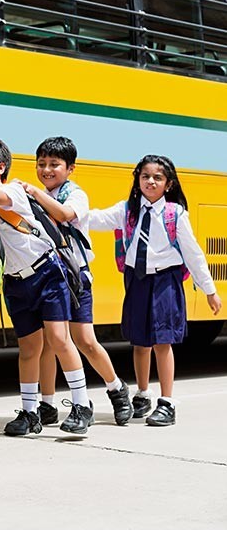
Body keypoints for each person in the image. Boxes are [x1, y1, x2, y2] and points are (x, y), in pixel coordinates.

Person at [0, 135, 94, 436]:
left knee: (59, 339)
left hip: (46, 273)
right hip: (16, 281)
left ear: (0, 166)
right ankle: (30, 412)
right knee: (28, 348)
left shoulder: (13, 191)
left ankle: (81, 406)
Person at [88, 154, 221, 426]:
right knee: (139, 341)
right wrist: (66, 213)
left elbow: (193, 253)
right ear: (137, 180)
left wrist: (209, 289)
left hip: (165, 281)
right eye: (145, 176)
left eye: (157, 177)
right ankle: (143, 393)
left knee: (162, 342)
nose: (151, 181)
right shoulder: (127, 211)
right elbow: (96, 219)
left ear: (168, 184)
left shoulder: (175, 214)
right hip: (137, 280)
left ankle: (167, 402)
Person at [13, 137, 132, 426]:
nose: (46, 170)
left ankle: (117, 389)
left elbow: (65, 214)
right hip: (49, 278)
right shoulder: (40, 194)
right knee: (49, 343)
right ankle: (47, 404)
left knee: (85, 341)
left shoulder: (75, 194)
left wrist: (32, 192)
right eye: (41, 164)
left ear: (70, 168)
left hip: (75, 280)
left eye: (54, 164)